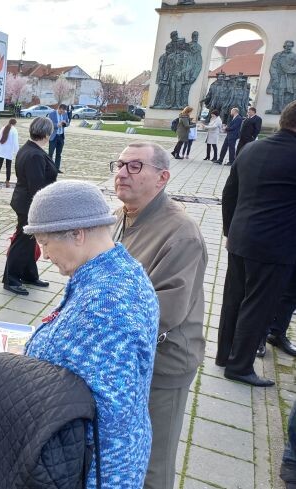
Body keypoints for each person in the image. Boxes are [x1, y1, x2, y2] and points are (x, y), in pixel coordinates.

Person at [24, 180, 159, 488]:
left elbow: (47, 363)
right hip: (115, 456)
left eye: (44, 242)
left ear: (78, 234)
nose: (43, 255)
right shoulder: (120, 271)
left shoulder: (103, 302)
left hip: (95, 469)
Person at [111, 142, 208, 489]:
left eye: (135, 167)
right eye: (120, 164)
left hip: (162, 364)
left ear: (162, 178)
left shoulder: (182, 233)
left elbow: (162, 312)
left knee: (152, 464)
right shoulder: (119, 217)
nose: (122, 173)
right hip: (122, 357)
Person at [216, 101, 296, 387]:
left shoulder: (251, 148)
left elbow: (229, 192)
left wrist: (229, 230)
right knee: (258, 306)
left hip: (241, 238)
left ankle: (225, 355)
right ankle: (240, 366)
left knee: (233, 300)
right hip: (275, 246)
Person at [2, 117, 57, 295]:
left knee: (28, 241)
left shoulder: (30, 148)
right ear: (47, 134)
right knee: (22, 241)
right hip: (29, 204)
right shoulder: (34, 154)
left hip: (25, 201)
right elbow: (37, 186)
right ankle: (10, 279)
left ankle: (28, 274)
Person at [0, 118, 18, 187]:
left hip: (1, 149)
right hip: (9, 150)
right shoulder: (14, 130)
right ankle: (7, 182)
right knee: (8, 167)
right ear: (15, 124)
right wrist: (17, 152)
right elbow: (15, 143)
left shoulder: (3, 128)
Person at [48, 104, 70, 172]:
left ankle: (56, 168)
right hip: (53, 136)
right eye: (61, 111)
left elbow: (67, 123)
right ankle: (49, 168)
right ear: (59, 108)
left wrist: (65, 124)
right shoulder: (52, 114)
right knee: (50, 153)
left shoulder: (65, 114)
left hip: (61, 136)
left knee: (59, 154)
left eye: (63, 111)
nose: (62, 112)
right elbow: (49, 124)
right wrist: (57, 125)